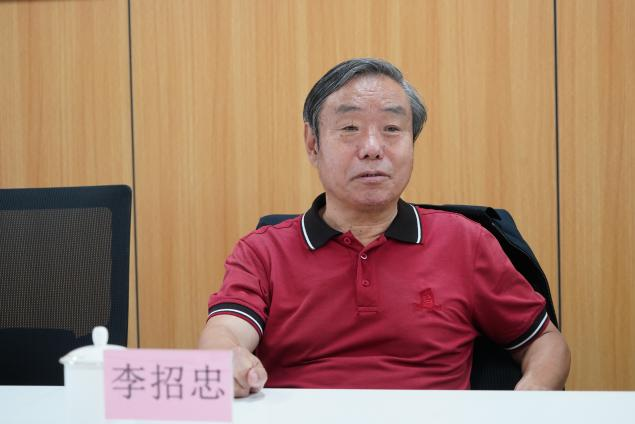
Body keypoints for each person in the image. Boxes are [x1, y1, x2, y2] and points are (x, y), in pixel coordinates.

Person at [199, 58, 570, 397]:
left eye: (392, 129)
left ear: (412, 143)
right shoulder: (262, 251)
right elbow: (225, 331)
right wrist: (226, 357)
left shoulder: (466, 242)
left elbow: (543, 341)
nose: (373, 147)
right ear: (313, 145)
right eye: (350, 128)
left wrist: (533, 394)